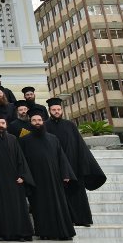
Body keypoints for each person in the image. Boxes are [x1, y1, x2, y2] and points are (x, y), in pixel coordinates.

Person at [44, 97, 106, 227]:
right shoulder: (45, 126)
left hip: (73, 166)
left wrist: (83, 165)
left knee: (77, 194)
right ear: (49, 110)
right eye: (53, 109)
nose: (56, 111)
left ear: (62, 110)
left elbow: (79, 145)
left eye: (58, 109)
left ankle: (82, 219)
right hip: (55, 167)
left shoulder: (70, 125)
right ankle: (65, 220)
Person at [20, 109, 77, 240]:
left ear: (43, 122)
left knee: (59, 205)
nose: (37, 123)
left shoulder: (53, 138)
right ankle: (44, 232)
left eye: (39, 120)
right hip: (36, 180)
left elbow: (61, 157)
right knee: (40, 207)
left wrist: (66, 174)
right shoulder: (24, 140)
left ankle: (64, 232)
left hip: (55, 179)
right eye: (34, 120)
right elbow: (21, 161)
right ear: (30, 122)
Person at [0, 115, 34, 241]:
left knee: (18, 207)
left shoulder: (13, 139)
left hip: (15, 180)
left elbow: (20, 158)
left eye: (2, 123)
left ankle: (21, 233)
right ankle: (4, 233)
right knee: (1, 207)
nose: (0, 125)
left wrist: (22, 175)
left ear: (6, 125)